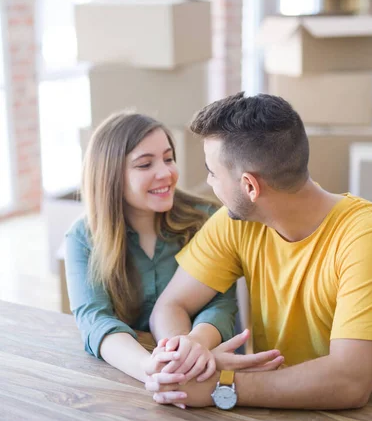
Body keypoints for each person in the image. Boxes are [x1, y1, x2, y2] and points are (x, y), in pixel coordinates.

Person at [146, 92, 372, 410]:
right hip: (272, 415)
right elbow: (171, 305)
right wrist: (181, 356)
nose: (209, 182)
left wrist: (220, 387)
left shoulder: (367, 237)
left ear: (250, 186)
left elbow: (349, 381)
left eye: (212, 172)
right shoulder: (235, 222)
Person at [65, 110, 283, 387]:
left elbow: (221, 305)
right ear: (110, 176)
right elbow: (95, 320)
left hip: (211, 365)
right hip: (135, 371)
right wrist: (149, 367)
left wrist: (191, 351)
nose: (166, 173)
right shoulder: (82, 237)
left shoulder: (206, 218)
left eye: (168, 159)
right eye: (145, 165)